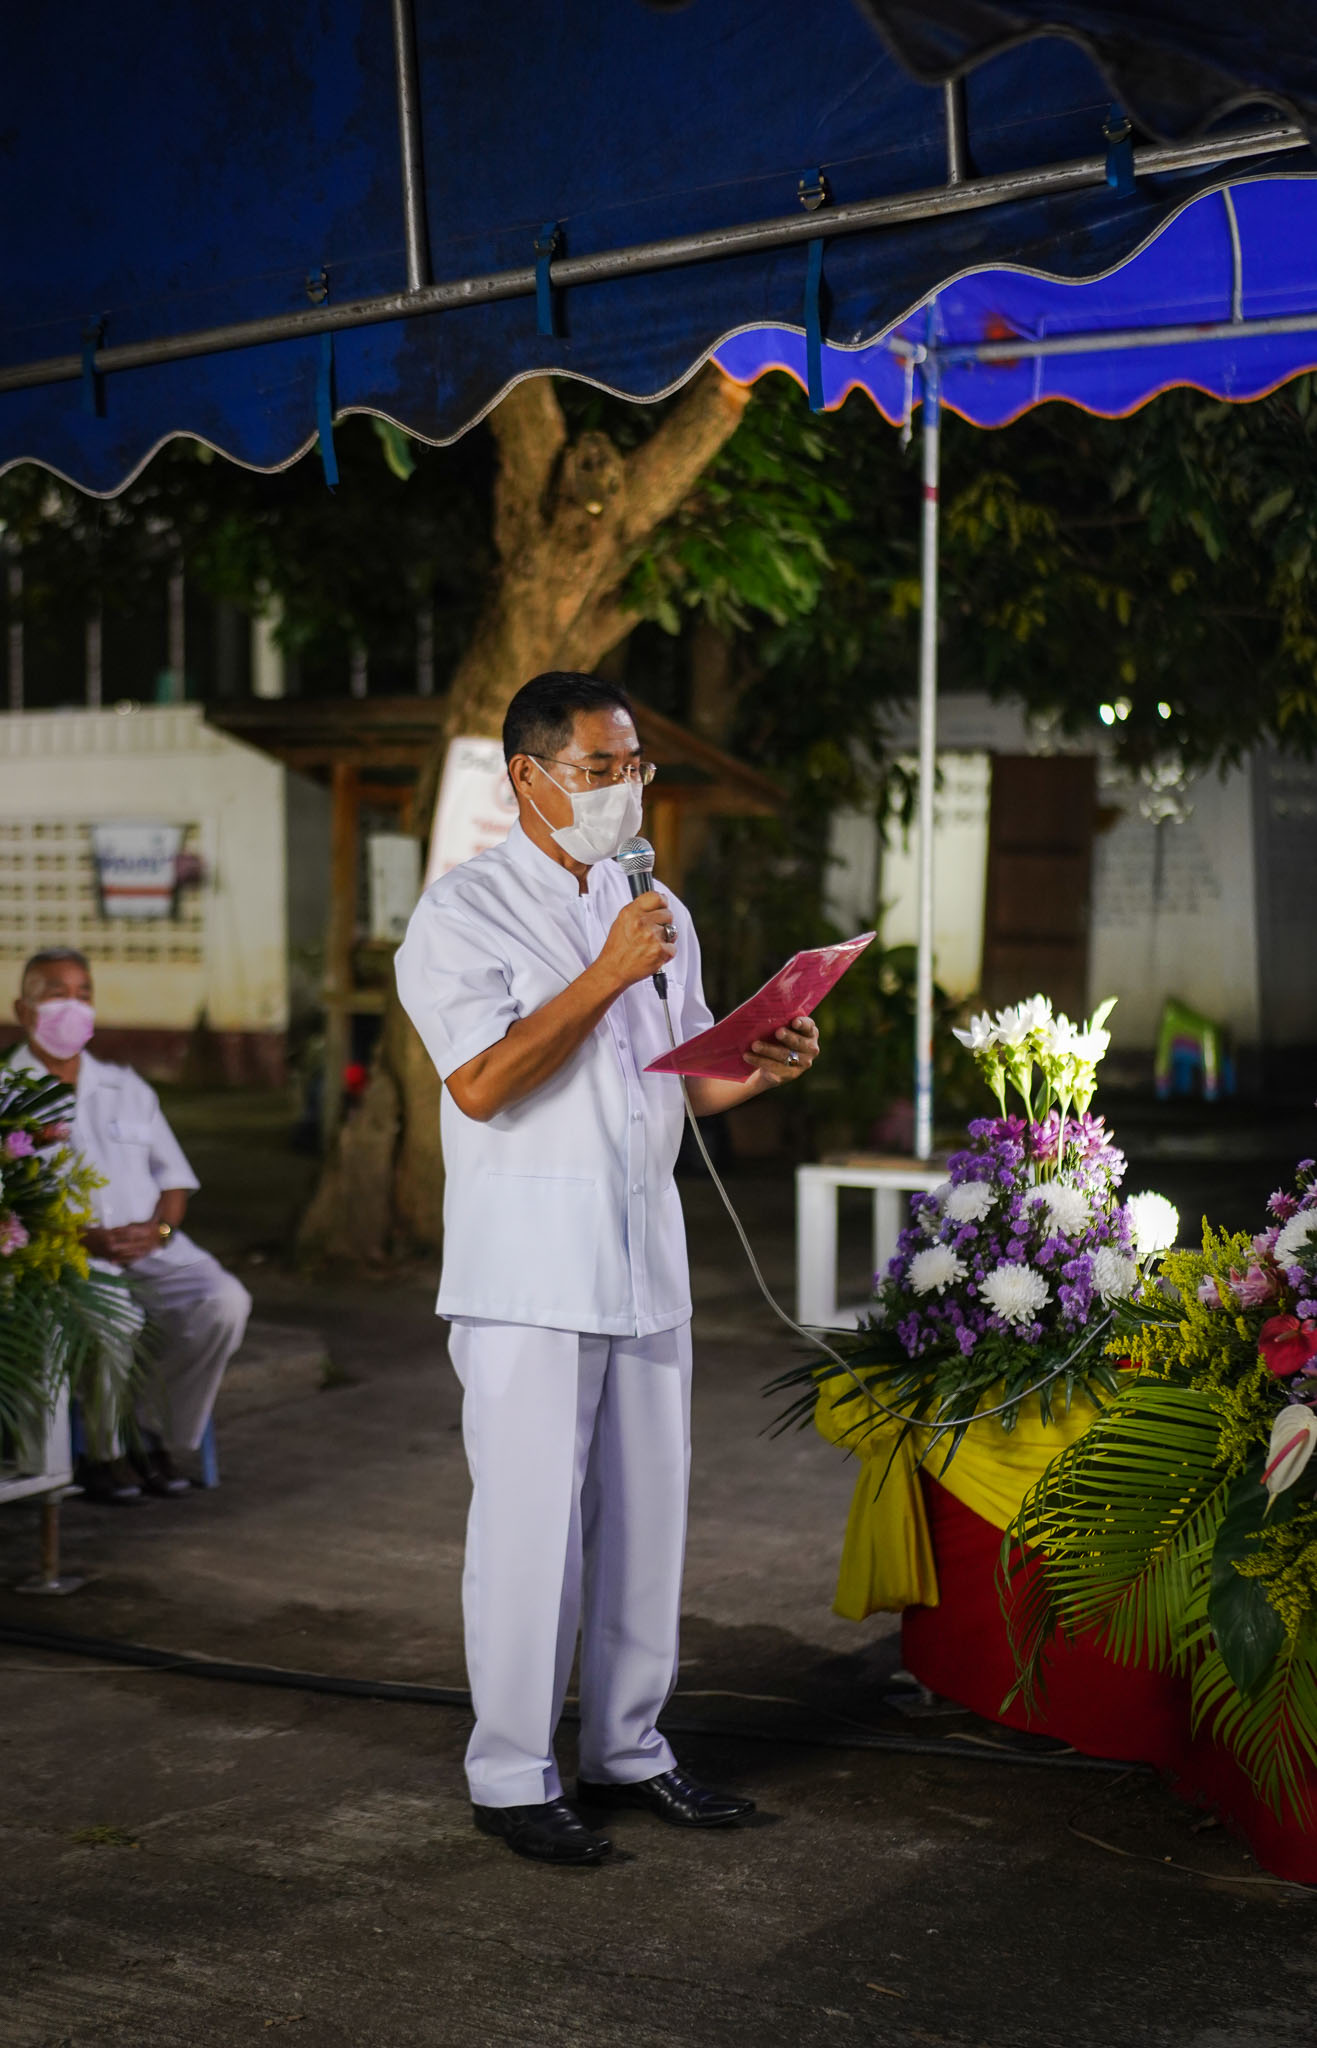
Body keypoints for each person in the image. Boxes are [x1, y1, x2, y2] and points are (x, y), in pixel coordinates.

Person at [396, 672, 820, 1867]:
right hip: (529, 1272)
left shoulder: (654, 903)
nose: (623, 790)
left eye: (634, 768)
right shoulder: (464, 911)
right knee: (532, 1530)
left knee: (645, 1520)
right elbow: (481, 1082)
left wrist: (761, 1061)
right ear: (527, 777)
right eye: (598, 769)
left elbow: (679, 1076)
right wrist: (604, 973)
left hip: (644, 1257)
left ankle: (629, 1746)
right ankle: (512, 1772)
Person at [9, 948, 252, 1505]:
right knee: (114, 1317)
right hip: (67, 1256)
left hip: (152, 1247)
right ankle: (106, 1453)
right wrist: (81, 1239)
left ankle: (150, 1431)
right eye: (56, 994)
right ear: (23, 1010)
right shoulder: (4, 1094)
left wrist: (158, 1233)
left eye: (84, 994)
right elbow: (8, 1205)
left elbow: (174, 1181)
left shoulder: (127, 1088)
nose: (73, 1006)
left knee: (223, 1302)